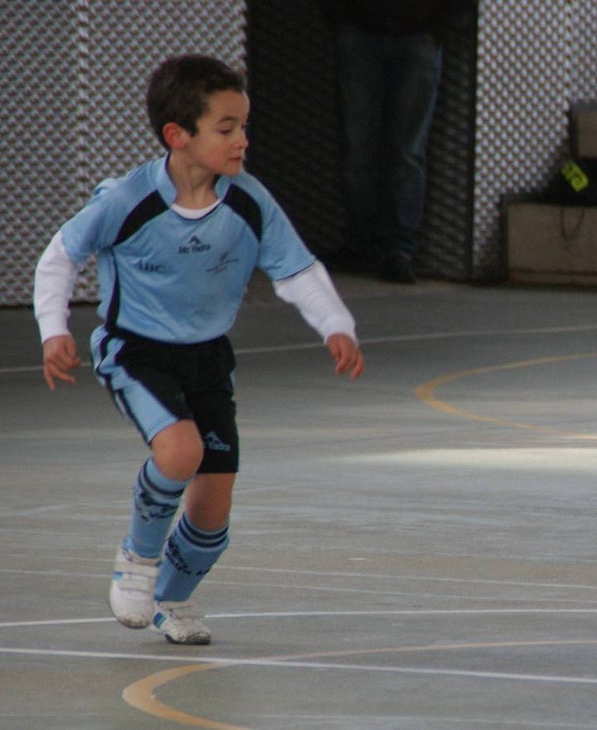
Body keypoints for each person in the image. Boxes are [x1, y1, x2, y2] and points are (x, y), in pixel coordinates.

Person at [32, 54, 366, 645]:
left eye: (244, 126)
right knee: (179, 451)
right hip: (136, 352)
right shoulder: (127, 200)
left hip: (208, 358)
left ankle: (172, 600)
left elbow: (297, 269)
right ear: (177, 135)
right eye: (226, 128)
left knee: (212, 512)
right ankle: (137, 559)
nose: (242, 141)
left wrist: (336, 324)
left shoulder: (249, 201)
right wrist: (53, 329)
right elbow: (60, 256)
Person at [323, 0, 474, 284]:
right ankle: (363, 243)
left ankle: (396, 249)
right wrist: (341, 22)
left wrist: (438, 31)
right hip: (363, 34)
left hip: (415, 38)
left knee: (405, 151)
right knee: (358, 147)